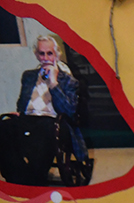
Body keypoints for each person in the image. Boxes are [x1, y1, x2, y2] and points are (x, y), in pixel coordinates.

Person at [13, 34, 86, 165]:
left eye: (50, 53)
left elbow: (69, 112)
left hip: (55, 122)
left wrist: (53, 83)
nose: (45, 58)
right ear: (36, 55)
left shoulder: (68, 80)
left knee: (45, 128)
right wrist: (19, 112)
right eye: (42, 54)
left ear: (57, 55)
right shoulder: (28, 76)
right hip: (29, 119)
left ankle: (36, 173)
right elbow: (21, 102)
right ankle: (17, 173)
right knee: (5, 127)